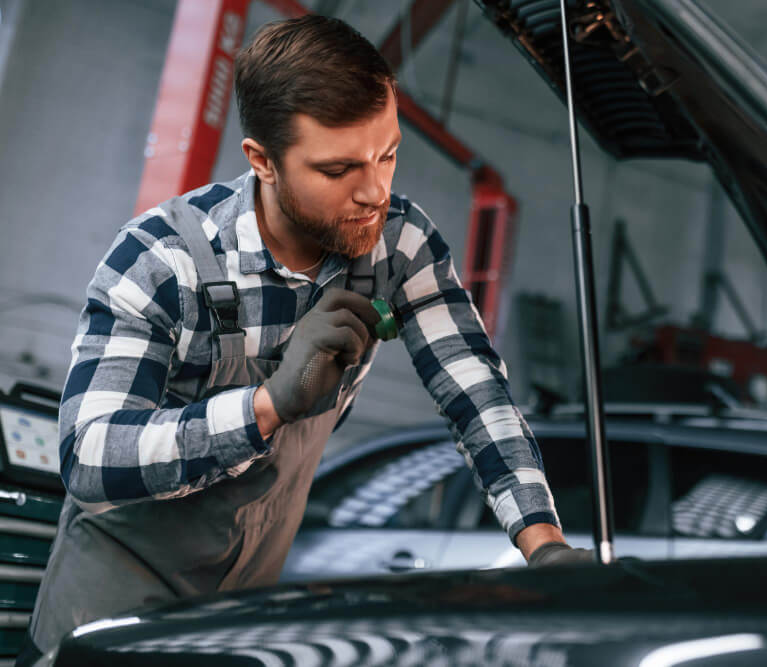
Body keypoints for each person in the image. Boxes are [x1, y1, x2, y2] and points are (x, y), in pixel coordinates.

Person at [18, 14, 589, 664]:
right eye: (340, 167)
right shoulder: (161, 259)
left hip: (234, 621)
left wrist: (542, 544)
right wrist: (267, 405)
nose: (376, 190)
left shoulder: (397, 246)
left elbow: (476, 392)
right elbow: (90, 457)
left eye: (389, 153)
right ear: (262, 160)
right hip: (103, 623)